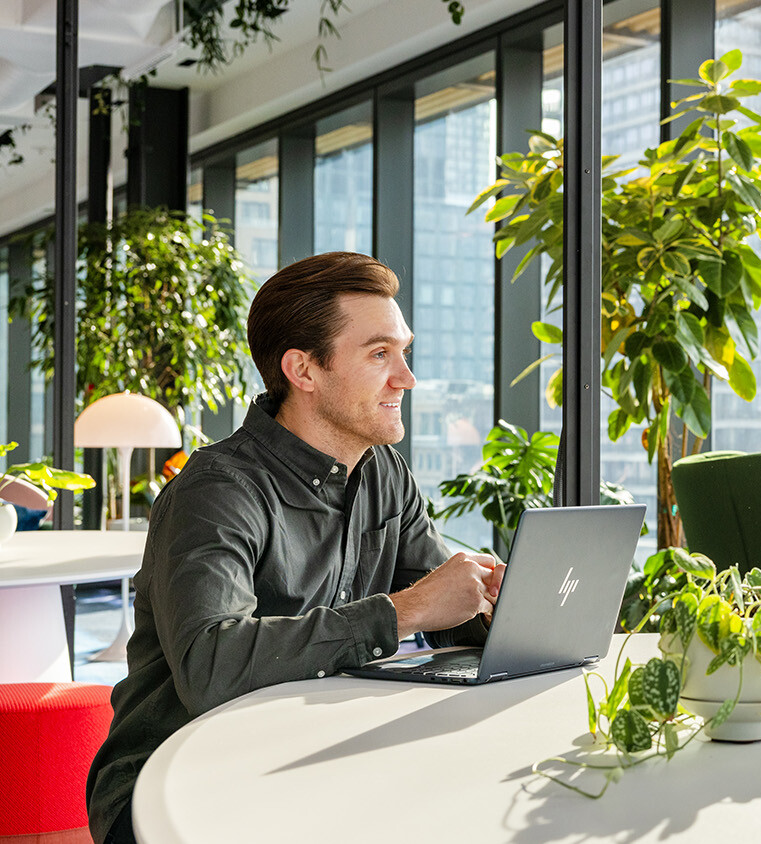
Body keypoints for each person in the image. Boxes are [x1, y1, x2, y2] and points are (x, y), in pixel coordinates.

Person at [86, 252, 506, 843]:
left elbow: (448, 615)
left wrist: (501, 606)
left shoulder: (384, 471)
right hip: (179, 781)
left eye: (404, 353)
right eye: (380, 354)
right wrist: (403, 611)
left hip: (317, 758)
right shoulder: (218, 491)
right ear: (303, 370)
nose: (406, 378)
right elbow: (213, 665)